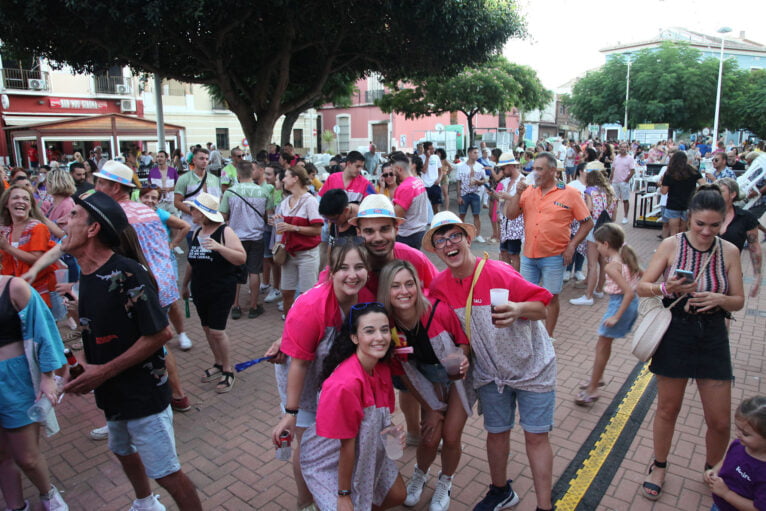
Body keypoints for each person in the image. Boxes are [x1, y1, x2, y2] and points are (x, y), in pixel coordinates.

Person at [60, 190, 202, 511]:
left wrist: (101, 372)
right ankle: (145, 503)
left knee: (167, 473)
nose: (62, 221)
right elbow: (99, 335)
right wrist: (79, 366)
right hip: (112, 394)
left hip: (142, 395)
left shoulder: (128, 273)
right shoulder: (88, 275)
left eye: (72, 216)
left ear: (93, 229)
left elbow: (160, 333)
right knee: (123, 450)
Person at [422, 211, 556, 511]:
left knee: (535, 437)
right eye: (440, 240)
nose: (448, 244)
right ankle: (500, 491)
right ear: (436, 249)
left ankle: (545, 506)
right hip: (490, 373)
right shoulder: (439, 286)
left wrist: (518, 308)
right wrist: (461, 354)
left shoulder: (499, 273)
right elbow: (459, 333)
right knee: (496, 433)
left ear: (467, 239)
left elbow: (542, 308)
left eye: (454, 235)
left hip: (532, 367)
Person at [636, 185, 745, 501]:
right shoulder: (671, 245)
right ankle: (659, 465)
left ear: (723, 221)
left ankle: (713, 470)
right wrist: (665, 288)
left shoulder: (730, 251)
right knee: (668, 408)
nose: (707, 231)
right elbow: (643, 287)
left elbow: (738, 300)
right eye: (700, 224)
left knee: (720, 420)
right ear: (688, 220)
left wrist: (721, 298)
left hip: (712, 334)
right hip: (677, 331)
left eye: (714, 225)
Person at [271, 243, 374, 510]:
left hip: (333, 379)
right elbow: (300, 365)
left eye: (359, 267)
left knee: (336, 439)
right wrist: (291, 412)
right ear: (331, 272)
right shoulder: (311, 305)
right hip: (302, 381)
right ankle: (305, 500)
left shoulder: (364, 299)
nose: (352, 275)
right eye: (344, 268)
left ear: (368, 270)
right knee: (307, 447)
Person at [378, 260, 472, 511]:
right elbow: (402, 371)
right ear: (386, 291)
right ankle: (420, 474)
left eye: (409, 284)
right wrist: (429, 408)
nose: (404, 291)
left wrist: (462, 357)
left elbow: (463, 341)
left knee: (450, 437)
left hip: (457, 380)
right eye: (395, 286)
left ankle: (446, 482)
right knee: (429, 438)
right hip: (426, 381)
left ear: (418, 286)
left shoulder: (438, 311)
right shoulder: (387, 326)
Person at [300, 302, 406, 510]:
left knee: (397, 495)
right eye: (369, 331)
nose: (380, 337)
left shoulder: (381, 367)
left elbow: (380, 417)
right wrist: (344, 495)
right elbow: (345, 446)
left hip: (365, 451)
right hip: (328, 460)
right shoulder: (344, 385)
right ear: (354, 337)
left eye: (384, 330)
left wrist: (394, 433)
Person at [505, 152, 593, 336]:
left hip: (554, 255)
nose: (535, 172)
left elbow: (587, 222)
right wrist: (517, 193)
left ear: (552, 170)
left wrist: (572, 245)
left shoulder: (569, 193)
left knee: (551, 297)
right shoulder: (528, 191)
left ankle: (548, 336)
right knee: (527, 297)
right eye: (533, 168)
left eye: (539, 169)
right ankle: (529, 335)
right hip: (529, 254)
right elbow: (511, 214)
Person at [0, 273, 68, 511]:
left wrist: (48, 376)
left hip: (14, 380)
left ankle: (47, 493)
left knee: (26, 456)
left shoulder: (13, 287)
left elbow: (45, 330)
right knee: (1, 455)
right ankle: (16, 506)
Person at [182, 192, 246, 393]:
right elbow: (191, 263)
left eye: (194, 209)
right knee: (207, 329)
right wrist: (184, 286)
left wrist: (219, 248)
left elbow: (241, 258)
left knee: (217, 331)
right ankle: (218, 363)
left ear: (203, 213)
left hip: (221, 288)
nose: (190, 211)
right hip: (200, 288)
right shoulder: (195, 233)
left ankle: (228, 369)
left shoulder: (224, 232)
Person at [574, 223, 641, 405]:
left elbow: (628, 292)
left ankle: (592, 389)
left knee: (602, 346)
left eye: (597, 244)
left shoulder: (612, 266)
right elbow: (640, 277)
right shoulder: (625, 255)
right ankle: (597, 378)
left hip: (620, 303)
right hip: (625, 303)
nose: (596, 248)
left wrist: (616, 316)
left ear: (605, 244)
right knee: (603, 345)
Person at [137, 186, 193, 351]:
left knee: (170, 300)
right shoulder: (133, 215)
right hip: (142, 263)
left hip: (164, 262)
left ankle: (181, 333)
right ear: (140, 197)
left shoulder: (160, 214)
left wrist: (173, 244)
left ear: (159, 201)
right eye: (146, 197)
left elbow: (185, 226)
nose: (150, 200)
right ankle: (156, 334)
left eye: (154, 198)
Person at [219, 159, 274, 319]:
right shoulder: (264, 192)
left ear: (237, 173)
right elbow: (269, 216)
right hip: (257, 236)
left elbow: (222, 215)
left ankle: (235, 305)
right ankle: (253, 306)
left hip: (235, 238)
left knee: (235, 271)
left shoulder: (230, 192)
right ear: (252, 172)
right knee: (254, 271)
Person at [275, 166, 323, 316]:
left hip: (307, 254)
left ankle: (306, 326)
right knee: (286, 292)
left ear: (295, 179)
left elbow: (317, 230)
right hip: (289, 253)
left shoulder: (310, 201)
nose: (283, 179)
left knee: (307, 295)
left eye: (286, 176)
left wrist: (293, 227)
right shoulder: (286, 201)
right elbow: (282, 228)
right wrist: (277, 223)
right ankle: (290, 324)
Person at [703, 396, 766, 511]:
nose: (738, 434)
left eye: (745, 434)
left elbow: (758, 508)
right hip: (720, 505)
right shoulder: (739, 445)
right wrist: (714, 471)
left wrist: (726, 494)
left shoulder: (763, 471)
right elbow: (727, 459)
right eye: (737, 428)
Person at [0, 185, 57, 307]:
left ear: (30, 205)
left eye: (26, 199)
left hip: (37, 291)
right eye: (15, 198)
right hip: (12, 291)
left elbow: (37, 259)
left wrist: (8, 248)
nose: (21, 201)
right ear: (6, 204)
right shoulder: (4, 230)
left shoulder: (38, 227)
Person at [570, 164, 617, 306]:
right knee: (603, 262)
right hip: (608, 229)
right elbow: (614, 216)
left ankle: (588, 296)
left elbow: (588, 210)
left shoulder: (589, 191)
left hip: (594, 229)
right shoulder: (610, 192)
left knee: (591, 265)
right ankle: (599, 290)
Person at [716, 178, 761, 297]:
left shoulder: (745, 217)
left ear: (733, 194)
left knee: (725, 308)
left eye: (721, 191)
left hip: (730, 273)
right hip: (703, 269)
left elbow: (754, 247)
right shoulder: (705, 214)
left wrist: (757, 275)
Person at [174, 147, 221, 240]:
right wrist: (195, 214)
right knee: (194, 252)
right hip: (192, 225)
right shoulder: (184, 178)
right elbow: (177, 202)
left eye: (207, 159)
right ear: (194, 160)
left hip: (212, 225)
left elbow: (219, 200)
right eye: (201, 158)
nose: (204, 161)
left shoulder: (214, 179)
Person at [390, 151, 429, 249]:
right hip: (419, 231)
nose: (392, 175)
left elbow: (397, 217)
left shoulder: (405, 187)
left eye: (393, 172)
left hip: (407, 235)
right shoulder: (418, 181)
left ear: (399, 169)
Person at [493, 153, 525, 271]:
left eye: (503, 168)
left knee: (514, 253)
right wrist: (496, 196)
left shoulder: (522, 181)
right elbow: (501, 200)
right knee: (504, 251)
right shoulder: (505, 182)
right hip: (504, 222)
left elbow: (524, 203)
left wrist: (508, 197)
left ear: (511, 166)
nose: (502, 171)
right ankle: (507, 276)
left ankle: (515, 279)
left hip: (516, 224)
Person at [660, 151, 704, 236]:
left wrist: (661, 185)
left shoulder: (669, 173)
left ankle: (674, 248)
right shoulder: (693, 171)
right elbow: (704, 184)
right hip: (689, 204)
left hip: (673, 204)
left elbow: (664, 191)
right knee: (684, 230)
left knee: (674, 232)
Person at [456, 147, 487, 243]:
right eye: (475, 152)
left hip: (475, 193)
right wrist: (459, 196)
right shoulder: (461, 166)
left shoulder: (480, 166)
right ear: (469, 153)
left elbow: (484, 180)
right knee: (462, 214)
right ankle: (460, 233)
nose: (477, 154)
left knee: (476, 214)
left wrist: (479, 181)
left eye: (477, 153)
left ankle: (478, 235)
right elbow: (458, 182)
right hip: (464, 193)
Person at [611, 142, 635, 224]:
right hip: (615, 181)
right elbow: (613, 169)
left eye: (625, 147)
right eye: (621, 147)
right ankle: (613, 216)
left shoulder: (630, 158)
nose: (623, 149)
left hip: (623, 182)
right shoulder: (616, 157)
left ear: (627, 148)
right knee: (614, 200)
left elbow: (632, 171)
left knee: (625, 200)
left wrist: (627, 179)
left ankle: (625, 216)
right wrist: (611, 179)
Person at [421, 141, 443, 213]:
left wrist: (439, 179)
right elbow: (424, 170)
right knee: (425, 207)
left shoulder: (436, 157)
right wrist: (427, 158)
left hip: (435, 185)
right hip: (425, 185)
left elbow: (440, 170)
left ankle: (437, 222)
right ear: (425, 149)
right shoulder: (420, 158)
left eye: (433, 148)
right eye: (430, 149)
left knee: (436, 206)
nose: (433, 150)